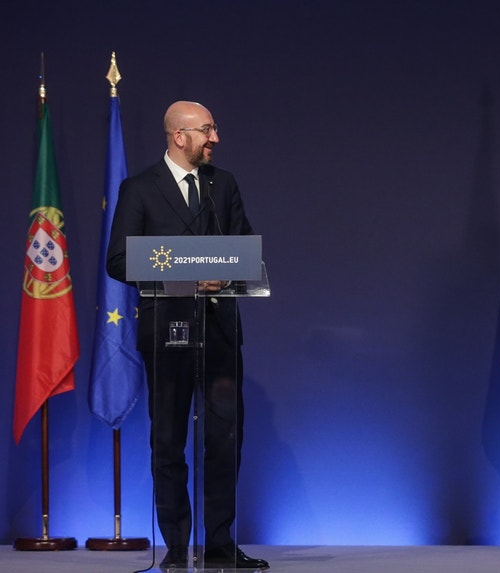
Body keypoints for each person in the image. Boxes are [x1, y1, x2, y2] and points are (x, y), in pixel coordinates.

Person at [107, 101, 268, 571]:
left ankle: (218, 544)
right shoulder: (139, 189)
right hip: (168, 335)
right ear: (179, 136)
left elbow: (245, 250)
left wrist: (227, 272)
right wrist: (186, 275)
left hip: (219, 335)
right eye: (207, 130)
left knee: (225, 439)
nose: (215, 138)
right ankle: (177, 546)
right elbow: (118, 260)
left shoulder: (224, 185)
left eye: (214, 129)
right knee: (169, 441)